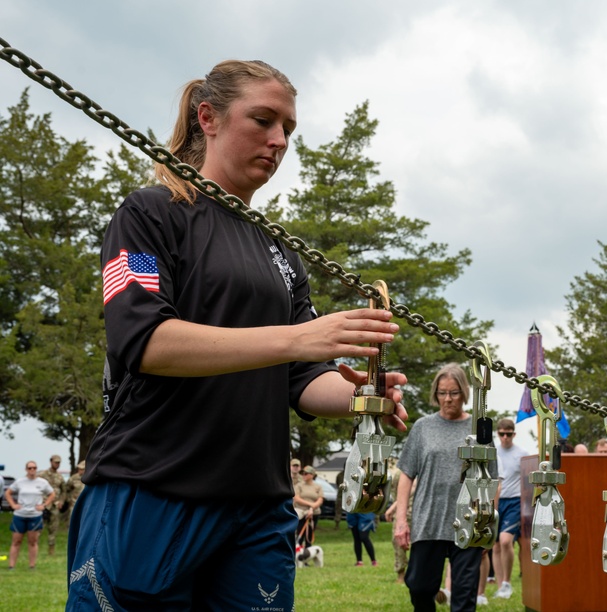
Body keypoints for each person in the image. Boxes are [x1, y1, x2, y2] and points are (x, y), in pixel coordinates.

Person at [67, 59, 407, 610]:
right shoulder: (149, 214)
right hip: (151, 488)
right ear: (209, 118)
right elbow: (144, 341)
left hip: (259, 507)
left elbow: (302, 378)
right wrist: (299, 339)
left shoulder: (282, 252)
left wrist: (361, 397)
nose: (279, 141)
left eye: (288, 129)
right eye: (263, 120)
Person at [394, 363, 492, 611]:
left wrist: (487, 524)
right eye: (442, 393)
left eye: (454, 393)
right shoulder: (423, 427)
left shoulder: (480, 429)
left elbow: (492, 480)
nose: (448, 399)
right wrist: (401, 520)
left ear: (465, 392)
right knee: (419, 588)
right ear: (435, 394)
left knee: (464, 596)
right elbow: (406, 474)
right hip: (429, 520)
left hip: (469, 521)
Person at [492, 418, 527, 600]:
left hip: (515, 501)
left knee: (506, 541)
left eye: (508, 434)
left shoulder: (522, 454)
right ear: (497, 434)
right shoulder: (493, 453)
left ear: (514, 434)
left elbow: (528, 481)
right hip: (496, 501)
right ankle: (500, 587)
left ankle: (507, 582)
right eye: (501, 434)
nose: (505, 437)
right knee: (496, 544)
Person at [5, 461, 56, 569]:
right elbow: (8, 493)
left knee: (33, 541)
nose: (32, 470)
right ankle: (11, 565)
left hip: (34, 515)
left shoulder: (42, 482)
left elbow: (52, 494)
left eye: (34, 468)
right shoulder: (20, 482)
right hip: (20, 515)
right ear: (26, 469)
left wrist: (44, 505)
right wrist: (13, 505)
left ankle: (32, 566)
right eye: (30, 468)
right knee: (16, 541)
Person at [38, 454, 65, 556]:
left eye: (59, 463)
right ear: (51, 462)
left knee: (53, 529)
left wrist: (61, 501)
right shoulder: (42, 474)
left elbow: (64, 491)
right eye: (56, 462)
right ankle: (34, 548)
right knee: (39, 528)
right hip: (43, 505)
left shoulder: (60, 477)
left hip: (55, 505)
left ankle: (51, 551)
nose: (57, 464)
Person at [293, 465, 324, 545]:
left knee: (309, 536)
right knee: (299, 535)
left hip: (314, 513)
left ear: (312, 475)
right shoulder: (299, 485)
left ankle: (308, 551)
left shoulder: (318, 486)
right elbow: (296, 498)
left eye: (306, 474)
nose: (303, 475)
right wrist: (311, 504)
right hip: (301, 513)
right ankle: (298, 550)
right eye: (303, 473)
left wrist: (312, 508)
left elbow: (320, 499)